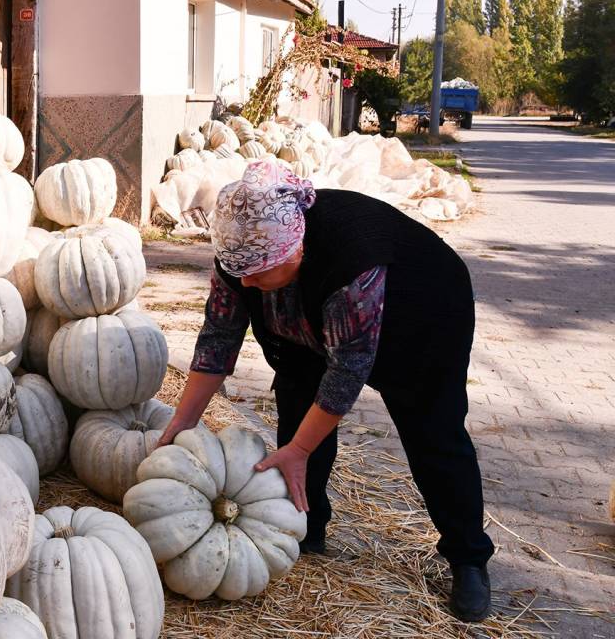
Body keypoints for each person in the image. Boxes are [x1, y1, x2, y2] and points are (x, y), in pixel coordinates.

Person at [157, 160, 495, 622]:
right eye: (238, 273)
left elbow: (347, 369)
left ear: (292, 251)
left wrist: (298, 449)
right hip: (307, 319)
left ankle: (468, 558)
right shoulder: (243, 253)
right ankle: (306, 527)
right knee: (297, 409)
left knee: (433, 434)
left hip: (421, 314)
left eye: (256, 273)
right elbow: (218, 337)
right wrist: (182, 422)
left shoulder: (352, 260)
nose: (246, 283)